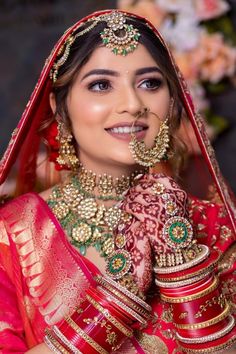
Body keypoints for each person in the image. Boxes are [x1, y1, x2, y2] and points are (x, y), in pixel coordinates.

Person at [0, 9, 235, 354]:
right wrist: (116, 300)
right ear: (60, 108)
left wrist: (181, 257)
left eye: (150, 83)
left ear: (172, 100)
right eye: (101, 85)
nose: (132, 104)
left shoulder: (214, 227)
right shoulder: (14, 233)